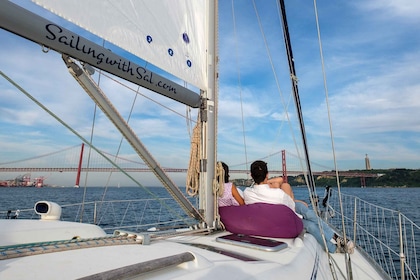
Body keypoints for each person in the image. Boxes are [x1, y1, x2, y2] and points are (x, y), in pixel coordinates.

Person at [244, 160, 354, 254]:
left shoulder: (247, 193)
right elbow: (291, 207)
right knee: (305, 211)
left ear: (251, 176)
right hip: (285, 222)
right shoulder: (278, 194)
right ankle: (336, 238)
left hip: (272, 221)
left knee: (309, 222)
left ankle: (334, 248)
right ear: (267, 175)